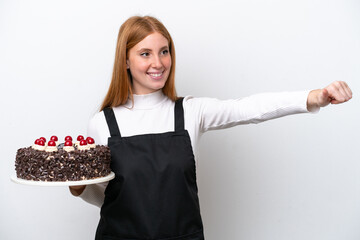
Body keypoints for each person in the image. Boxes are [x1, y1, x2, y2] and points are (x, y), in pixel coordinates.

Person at [69, 16, 352, 240]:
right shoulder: (103, 123)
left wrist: (313, 97)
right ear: (126, 61)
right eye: (145, 53)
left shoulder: (190, 111)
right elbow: (108, 197)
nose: (158, 63)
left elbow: (247, 108)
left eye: (164, 51)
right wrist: (79, 188)